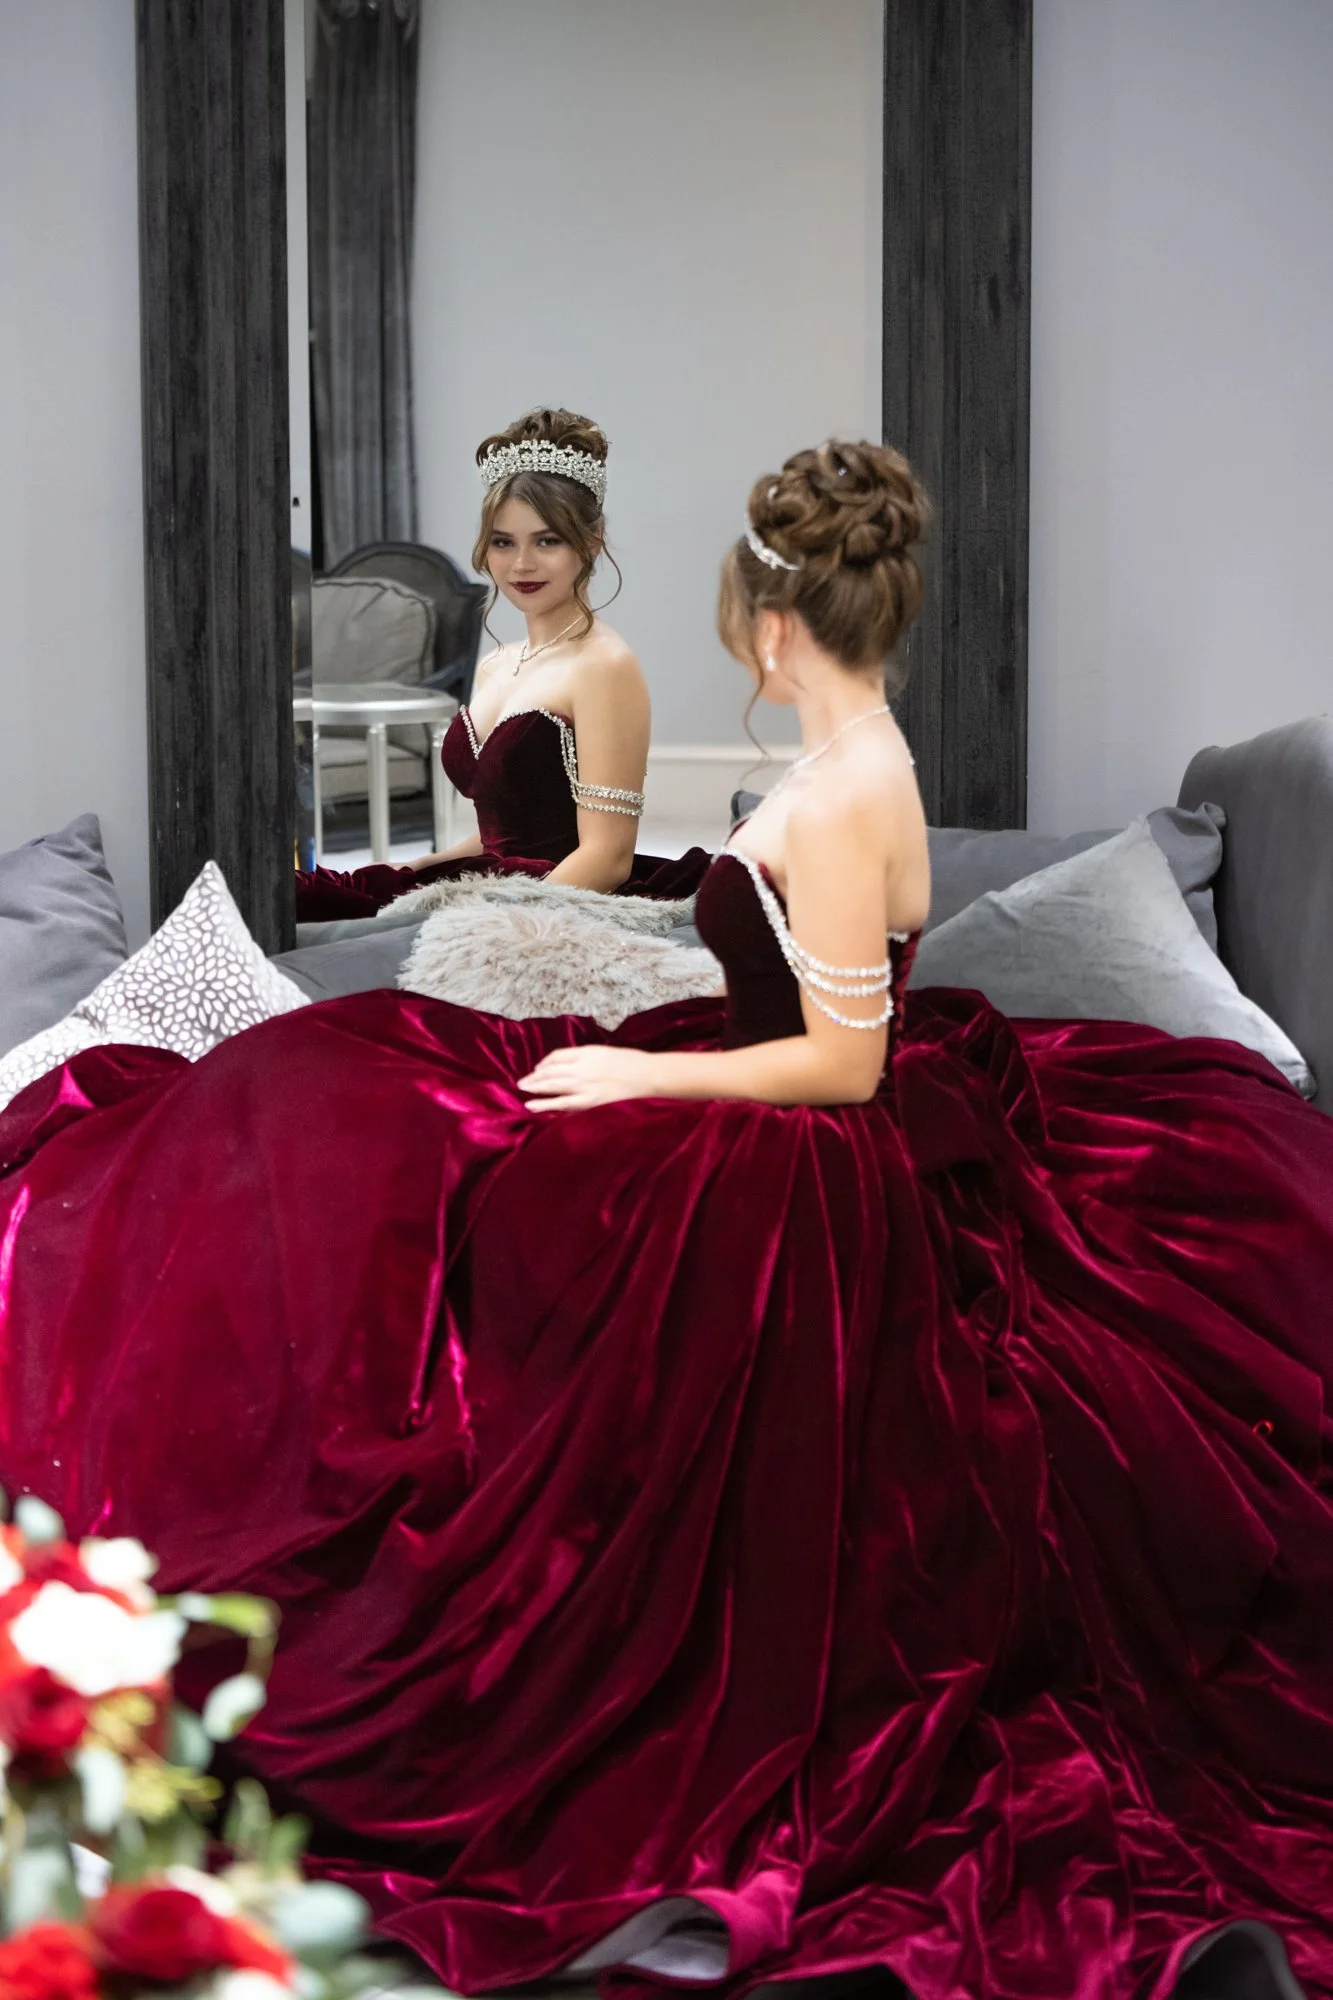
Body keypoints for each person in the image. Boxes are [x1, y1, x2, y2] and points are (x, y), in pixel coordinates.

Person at [4, 440, 1333, 2000]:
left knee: (445, 1194)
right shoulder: (849, 763)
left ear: (776, 621)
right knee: (361, 1089)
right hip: (752, 1082)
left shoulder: (847, 789)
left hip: (794, 1139)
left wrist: (640, 1083)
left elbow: (846, 1064)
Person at [295, 409, 708, 921]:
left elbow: (607, 858)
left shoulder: (604, 666)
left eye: (547, 540)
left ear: (593, 538)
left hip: (552, 905)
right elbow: (504, 834)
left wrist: (491, 921)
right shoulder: (496, 663)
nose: (521, 564)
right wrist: (425, 866)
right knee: (302, 896)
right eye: (503, 542)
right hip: (492, 884)